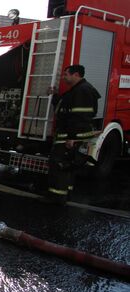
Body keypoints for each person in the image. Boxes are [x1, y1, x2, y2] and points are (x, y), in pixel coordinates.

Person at [47, 64, 100, 204]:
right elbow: (66, 108)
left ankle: (57, 197)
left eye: (66, 75)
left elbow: (79, 118)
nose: (64, 78)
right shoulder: (78, 90)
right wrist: (55, 96)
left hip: (71, 136)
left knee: (59, 165)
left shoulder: (83, 91)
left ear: (76, 75)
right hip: (70, 135)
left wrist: (72, 138)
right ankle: (66, 194)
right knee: (68, 165)